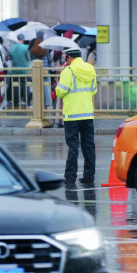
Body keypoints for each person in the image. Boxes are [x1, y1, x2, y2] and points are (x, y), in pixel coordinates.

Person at [56, 47, 97, 185]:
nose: (65, 61)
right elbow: (93, 91)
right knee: (89, 146)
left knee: (73, 146)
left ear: (69, 58)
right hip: (87, 113)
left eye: (65, 58)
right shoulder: (90, 69)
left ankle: (70, 177)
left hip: (72, 114)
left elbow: (61, 91)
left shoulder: (68, 71)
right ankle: (89, 175)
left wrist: (58, 82)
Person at [30, 31, 52, 109]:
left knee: (36, 86)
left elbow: (31, 58)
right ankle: (48, 104)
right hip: (45, 70)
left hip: (36, 71)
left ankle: (35, 103)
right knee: (46, 87)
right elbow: (49, 59)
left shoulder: (33, 47)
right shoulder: (45, 47)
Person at [9, 33, 30, 107]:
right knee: (25, 86)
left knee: (15, 86)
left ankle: (15, 102)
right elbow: (29, 58)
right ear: (23, 40)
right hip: (24, 70)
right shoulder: (26, 47)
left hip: (15, 71)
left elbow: (9, 58)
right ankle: (27, 101)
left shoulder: (12, 48)